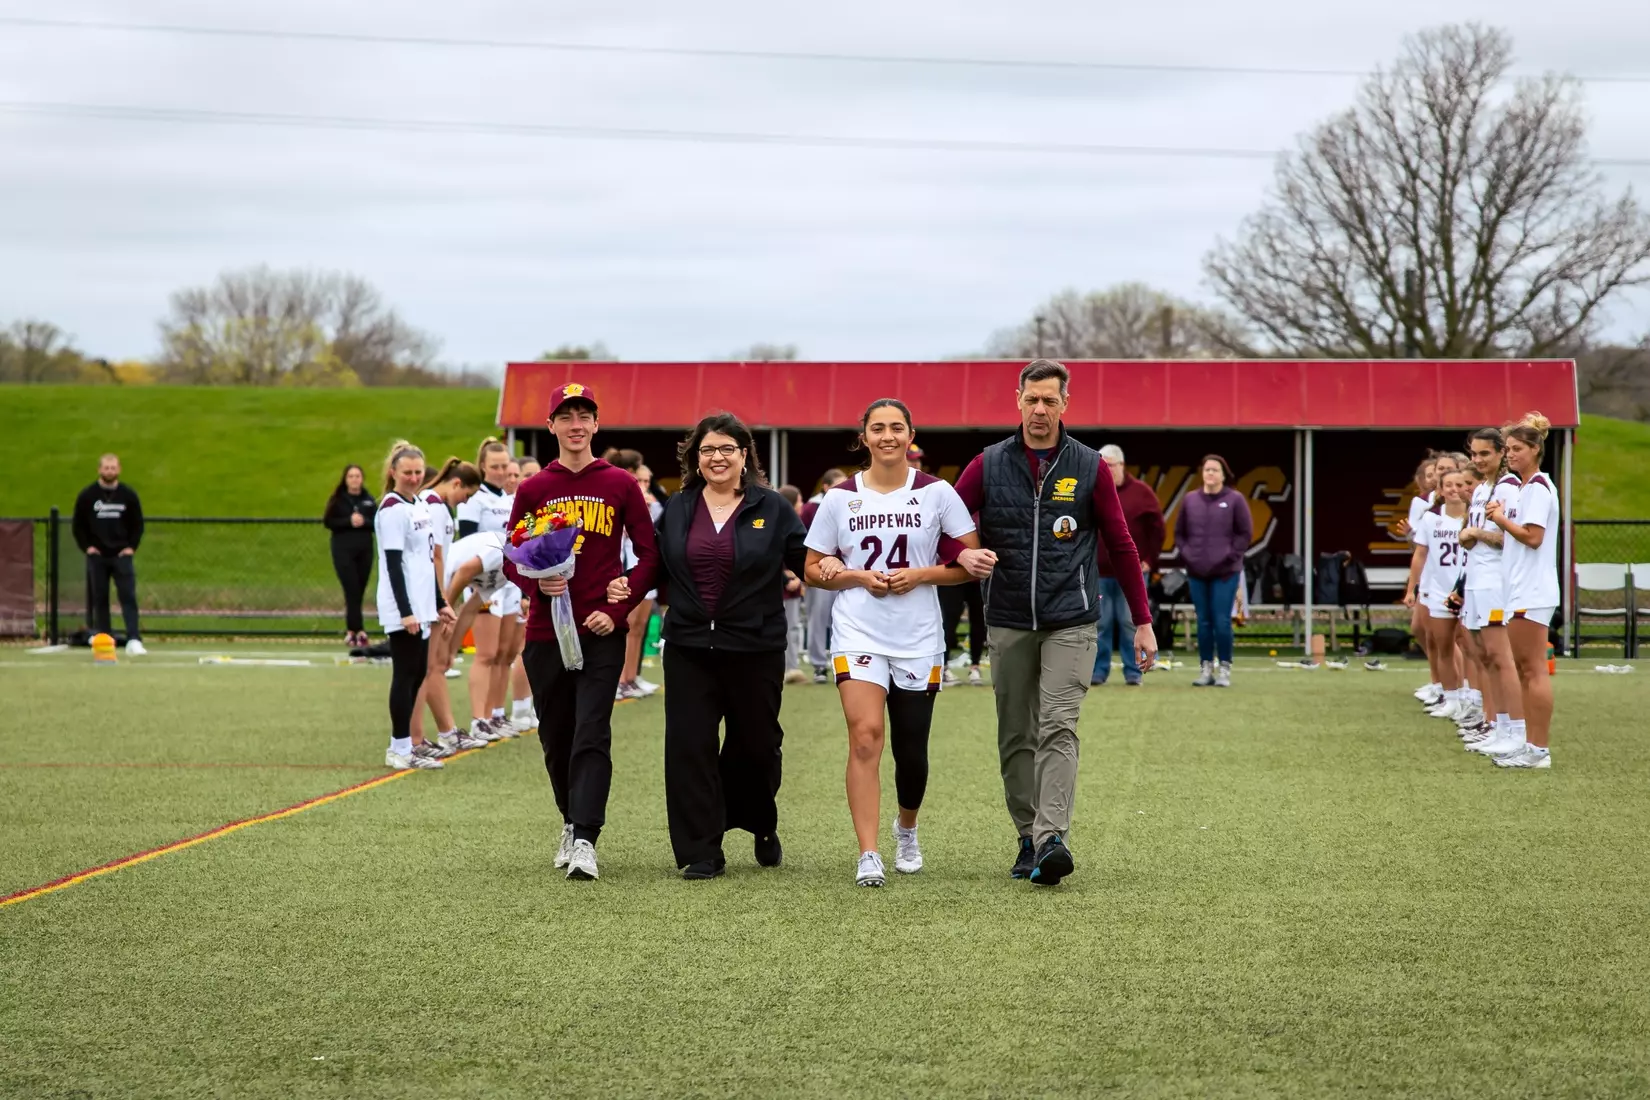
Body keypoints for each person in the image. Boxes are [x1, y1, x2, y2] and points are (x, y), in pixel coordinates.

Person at [952, 359, 1156, 887]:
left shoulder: (1089, 466)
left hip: (1073, 619)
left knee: (1059, 726)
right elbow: (943, 522)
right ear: (1017, 400)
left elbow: (1121, 544)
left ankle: (1051, 839)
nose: (1039, 409)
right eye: (1031, 399)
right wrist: (962, 553)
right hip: (1007, 617)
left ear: (1065, 403)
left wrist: (1142, 620)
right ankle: (1026, 835)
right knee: (1016, 732)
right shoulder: (987, 464)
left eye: (1049, 400)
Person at [612, 412, 806, 880]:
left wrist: (843, 571)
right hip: (689, 646)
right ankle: (701, 849)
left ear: (744, 455)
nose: (717, 458)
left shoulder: (773, 507)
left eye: (726, 449)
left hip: (755, 647)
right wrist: (626, 587)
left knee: (758, 746)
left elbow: (808, 560)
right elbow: (654, 563)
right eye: (707, 450)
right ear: (695, 458)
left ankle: (760, 821)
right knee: (689, 747)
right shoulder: (679, 507)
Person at [805, 399, 980, 887]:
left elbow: (969, 563)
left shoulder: (938, 492)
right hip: (857, 631)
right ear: (863, 437)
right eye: (878, 428)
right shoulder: (839, 498)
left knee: (911, 749)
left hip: (918, 636)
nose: (887, 436)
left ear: (910, 436)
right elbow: (813, 569)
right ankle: (868, 853)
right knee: (865, 736)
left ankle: (907, 827)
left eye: (896, 428)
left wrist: (919, 575)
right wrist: (856, 576)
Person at [506, 383, 658, 882]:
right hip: (545, 630)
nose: (576, 425)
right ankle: (570, 821)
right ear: (551, 425)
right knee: (556, 737)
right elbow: (511, 557)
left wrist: (620, 607)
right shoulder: (534, 488)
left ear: (596, 424)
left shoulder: (620, 483)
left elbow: (650, 555)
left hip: (600, 630)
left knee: (592, 731)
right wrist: (535, 580)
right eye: (566, 416)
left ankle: (587, 837)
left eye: (584, 415)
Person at [376, 442, 455, 771]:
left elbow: (427, 559)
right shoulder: (392, 509)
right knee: (405, 674)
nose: (413, 477)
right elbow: (394, 564)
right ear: (394, 472)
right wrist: (405, 611)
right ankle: (399, 747)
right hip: (404, 606)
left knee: (418, 673)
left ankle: (407, 745)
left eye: (418, 472)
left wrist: (439, 603)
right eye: (407, 472)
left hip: (422, 605)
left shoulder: (419, 504)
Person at [1486, 412, 1558, 769]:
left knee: (1533, 670)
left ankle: (1538, 749)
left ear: (1534, 449)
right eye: (1508, 448)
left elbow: (1533, 537)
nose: (1510, 454)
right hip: (1519, 588)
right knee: (1524, 669)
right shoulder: (1525, 488)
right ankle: (1530, 744)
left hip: (1533, 589)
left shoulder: (1539, 488)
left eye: (1517, 448)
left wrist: (1500, 519)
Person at [1457, 428, 1526, 759]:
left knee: (1501, 657)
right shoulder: (1483, 488)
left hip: (1496, 582)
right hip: (1476, 579)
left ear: (1501, 453)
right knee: (1484, 656)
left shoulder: (1508, 487)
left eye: (1485, 453)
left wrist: (1475, 532)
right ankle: (1499, 726)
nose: (1478, 459)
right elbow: (1472, 538)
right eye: (1474, 453)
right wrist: (1469, 534)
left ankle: (1517, 731)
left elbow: (1509, 537)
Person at [407, 458, 482, 760]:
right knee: (424, 668)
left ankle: (445, 731)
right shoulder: (434, 506)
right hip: (428, 597)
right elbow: (435, 557)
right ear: (456, 483)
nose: (465, 501)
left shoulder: (435, 504)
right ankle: (414, 739)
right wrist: (442, 601)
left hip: (431, 595)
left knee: (434, 666)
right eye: (466, 494)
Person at [459, 438, 525, 742]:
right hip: (485, 584)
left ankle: (496, 714)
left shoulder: (511, 501)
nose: (500, 471)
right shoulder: (475, 501)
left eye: (504, 466)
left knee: (505, 653)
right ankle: (479, 719)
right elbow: (466, 546)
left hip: (510, 581)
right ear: (483, 466)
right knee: (486, 653)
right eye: (494, 466)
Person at [1174, 455, 1252, 687]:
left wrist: (1231, 557)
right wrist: (1188, 555)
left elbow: (1245, 533)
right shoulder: (1190, 500)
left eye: (1215, 470)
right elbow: (1179, 534)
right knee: (1204, 621)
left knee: (1221, 620)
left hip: (1225, 573)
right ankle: (1205, 668)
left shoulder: (1235, 500)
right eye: (1207, 469)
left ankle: (1224, 668)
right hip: (1197, 572)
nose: (1210, 473)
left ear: (1223, 475)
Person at [1093, 444, 1165, 687]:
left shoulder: (1142, 493)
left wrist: (1150, 560)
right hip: (1098, 572)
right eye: (1102, 466)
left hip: (1131, 573)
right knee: (1100, 624)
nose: (1106, 470)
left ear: (1122, 465)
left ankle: (1134, 671)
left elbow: (1158, 530)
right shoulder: (1093, 490)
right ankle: (1097, 671)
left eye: (1110, 465)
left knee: (1130, 622)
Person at [1404, 466, 1469, 721]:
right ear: (1440, 490)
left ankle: (1470, 697)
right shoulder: (1431, 518)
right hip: (1439, 589)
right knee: (1443, 645)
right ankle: (1451, 698)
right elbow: (1420, 555)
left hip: (1468, 589)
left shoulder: (1474, 517)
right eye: (1448, 485)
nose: (1454, 489)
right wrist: (1412, 588)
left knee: (1471, 647)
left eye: (1459, 484)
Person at [604, 448, 663, 701]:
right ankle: (620, 679)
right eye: (640, 479)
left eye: (647, 481)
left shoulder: (647, 499)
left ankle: (630, 677)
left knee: (638, 626)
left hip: (645, 564)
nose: (644, 485)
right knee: (626, 625)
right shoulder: (619, 493)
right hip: (626, 565)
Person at [73, 453, 146, 654]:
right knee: (100, 598)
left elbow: (137, 523)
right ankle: (105, 638)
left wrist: (131, 547)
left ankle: (133, 638)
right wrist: (87, 547)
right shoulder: (87, 495)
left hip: (121, 555)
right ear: (99, 469)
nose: (110, 471)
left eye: (113, 468)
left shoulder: (128, 495)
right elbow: (78, 525)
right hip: (98, 556)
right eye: (106, 468)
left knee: (128, 596)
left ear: (119, 469)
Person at [802, 468, 849, 682]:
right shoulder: (811, 508)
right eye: (837, 486)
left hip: (846, 571)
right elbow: (801, 541)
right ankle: (819, 665)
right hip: (820, 571)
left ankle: (845, 662)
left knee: (845, 619)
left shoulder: (851, 504)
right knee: (818, 619)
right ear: (825, 487)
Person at [323, 464, 377, 648]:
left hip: (364, 550)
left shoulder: (368, 500)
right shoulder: (338, 500)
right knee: (351, 588)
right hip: (343, 550)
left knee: (359, 589)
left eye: (357, 476)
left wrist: (364, 521)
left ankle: (353, 630)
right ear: (345, 479)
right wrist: (348, 521)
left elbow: (377, 523)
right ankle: (357, 631)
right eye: (351, 476)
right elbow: (329, 521)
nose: (354, 479)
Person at [777, 485, 809, 685]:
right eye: (799, 500)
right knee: (783, 628)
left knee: (794, 627)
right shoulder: (776, 524)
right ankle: (783, 668)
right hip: (777, 588)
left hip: (793, 588)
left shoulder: (797, 524)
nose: (802, 504)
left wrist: (799, 578)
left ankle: (792, 667)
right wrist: (785, 578)